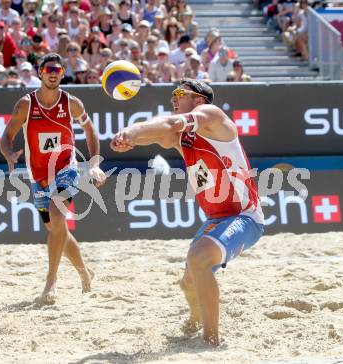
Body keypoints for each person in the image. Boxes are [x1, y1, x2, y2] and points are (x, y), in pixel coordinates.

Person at [110, 79, 264, 345]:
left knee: (199, 257)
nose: (173, 98)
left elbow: (168, 125)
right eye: (172, 94)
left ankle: (211, 338)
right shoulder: (185, 137)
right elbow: (159, 132)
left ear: (199, 100)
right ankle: (195, 319)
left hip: (244, 217)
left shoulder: (214, 117)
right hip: (217, 218)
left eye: (179, 93)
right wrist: (129, 137)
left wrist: (133, 132)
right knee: (188, 282)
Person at [0, 53, 106, 304]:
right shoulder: (26, 104)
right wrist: (9, 153)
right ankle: (84, 272)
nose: (53, 72)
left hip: (66, 168)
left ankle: (51, 283)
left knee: (58, 217)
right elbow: (6, 136)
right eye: (48, 69)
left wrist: (93, 164)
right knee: (55, 230)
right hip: (38, 174)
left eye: (57, 69)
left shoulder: (72, 103)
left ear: (62, 72)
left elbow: (90, 130)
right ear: (40, 72)